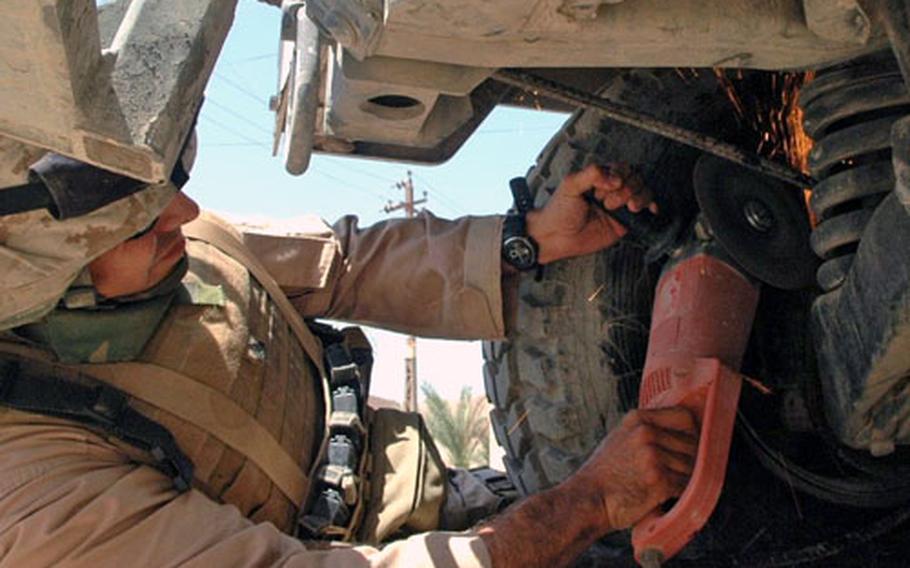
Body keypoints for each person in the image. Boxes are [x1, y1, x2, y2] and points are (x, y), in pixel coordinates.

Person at [0, 137, 696, 567]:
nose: (183, 213)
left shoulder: (181, 240)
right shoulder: (35, 494)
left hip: (439, 506)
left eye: (163, 191)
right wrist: (590, 502)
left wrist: (531, 239)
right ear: (42, 283)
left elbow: (345, 264)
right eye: (140, 222)